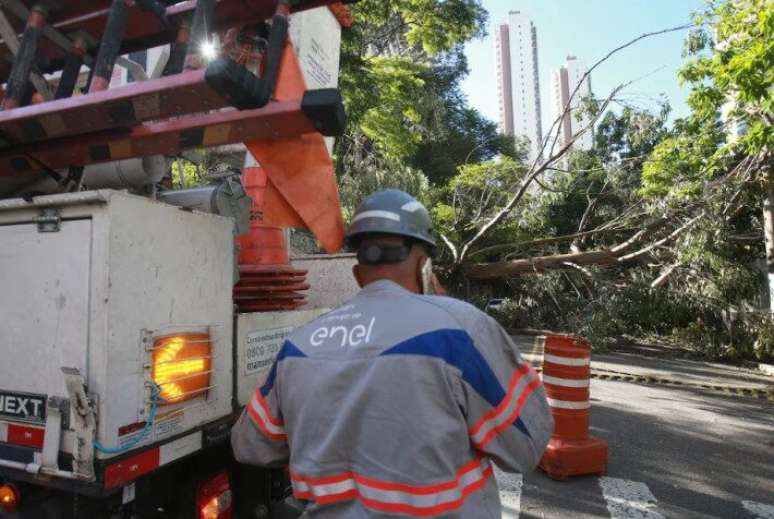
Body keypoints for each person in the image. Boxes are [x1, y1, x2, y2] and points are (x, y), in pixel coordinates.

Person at [232, 189, 553, 517]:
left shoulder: (298, 345)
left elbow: (249, 445)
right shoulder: (460, 331)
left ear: (358, 276)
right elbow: (527, 442)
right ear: (424, 266)